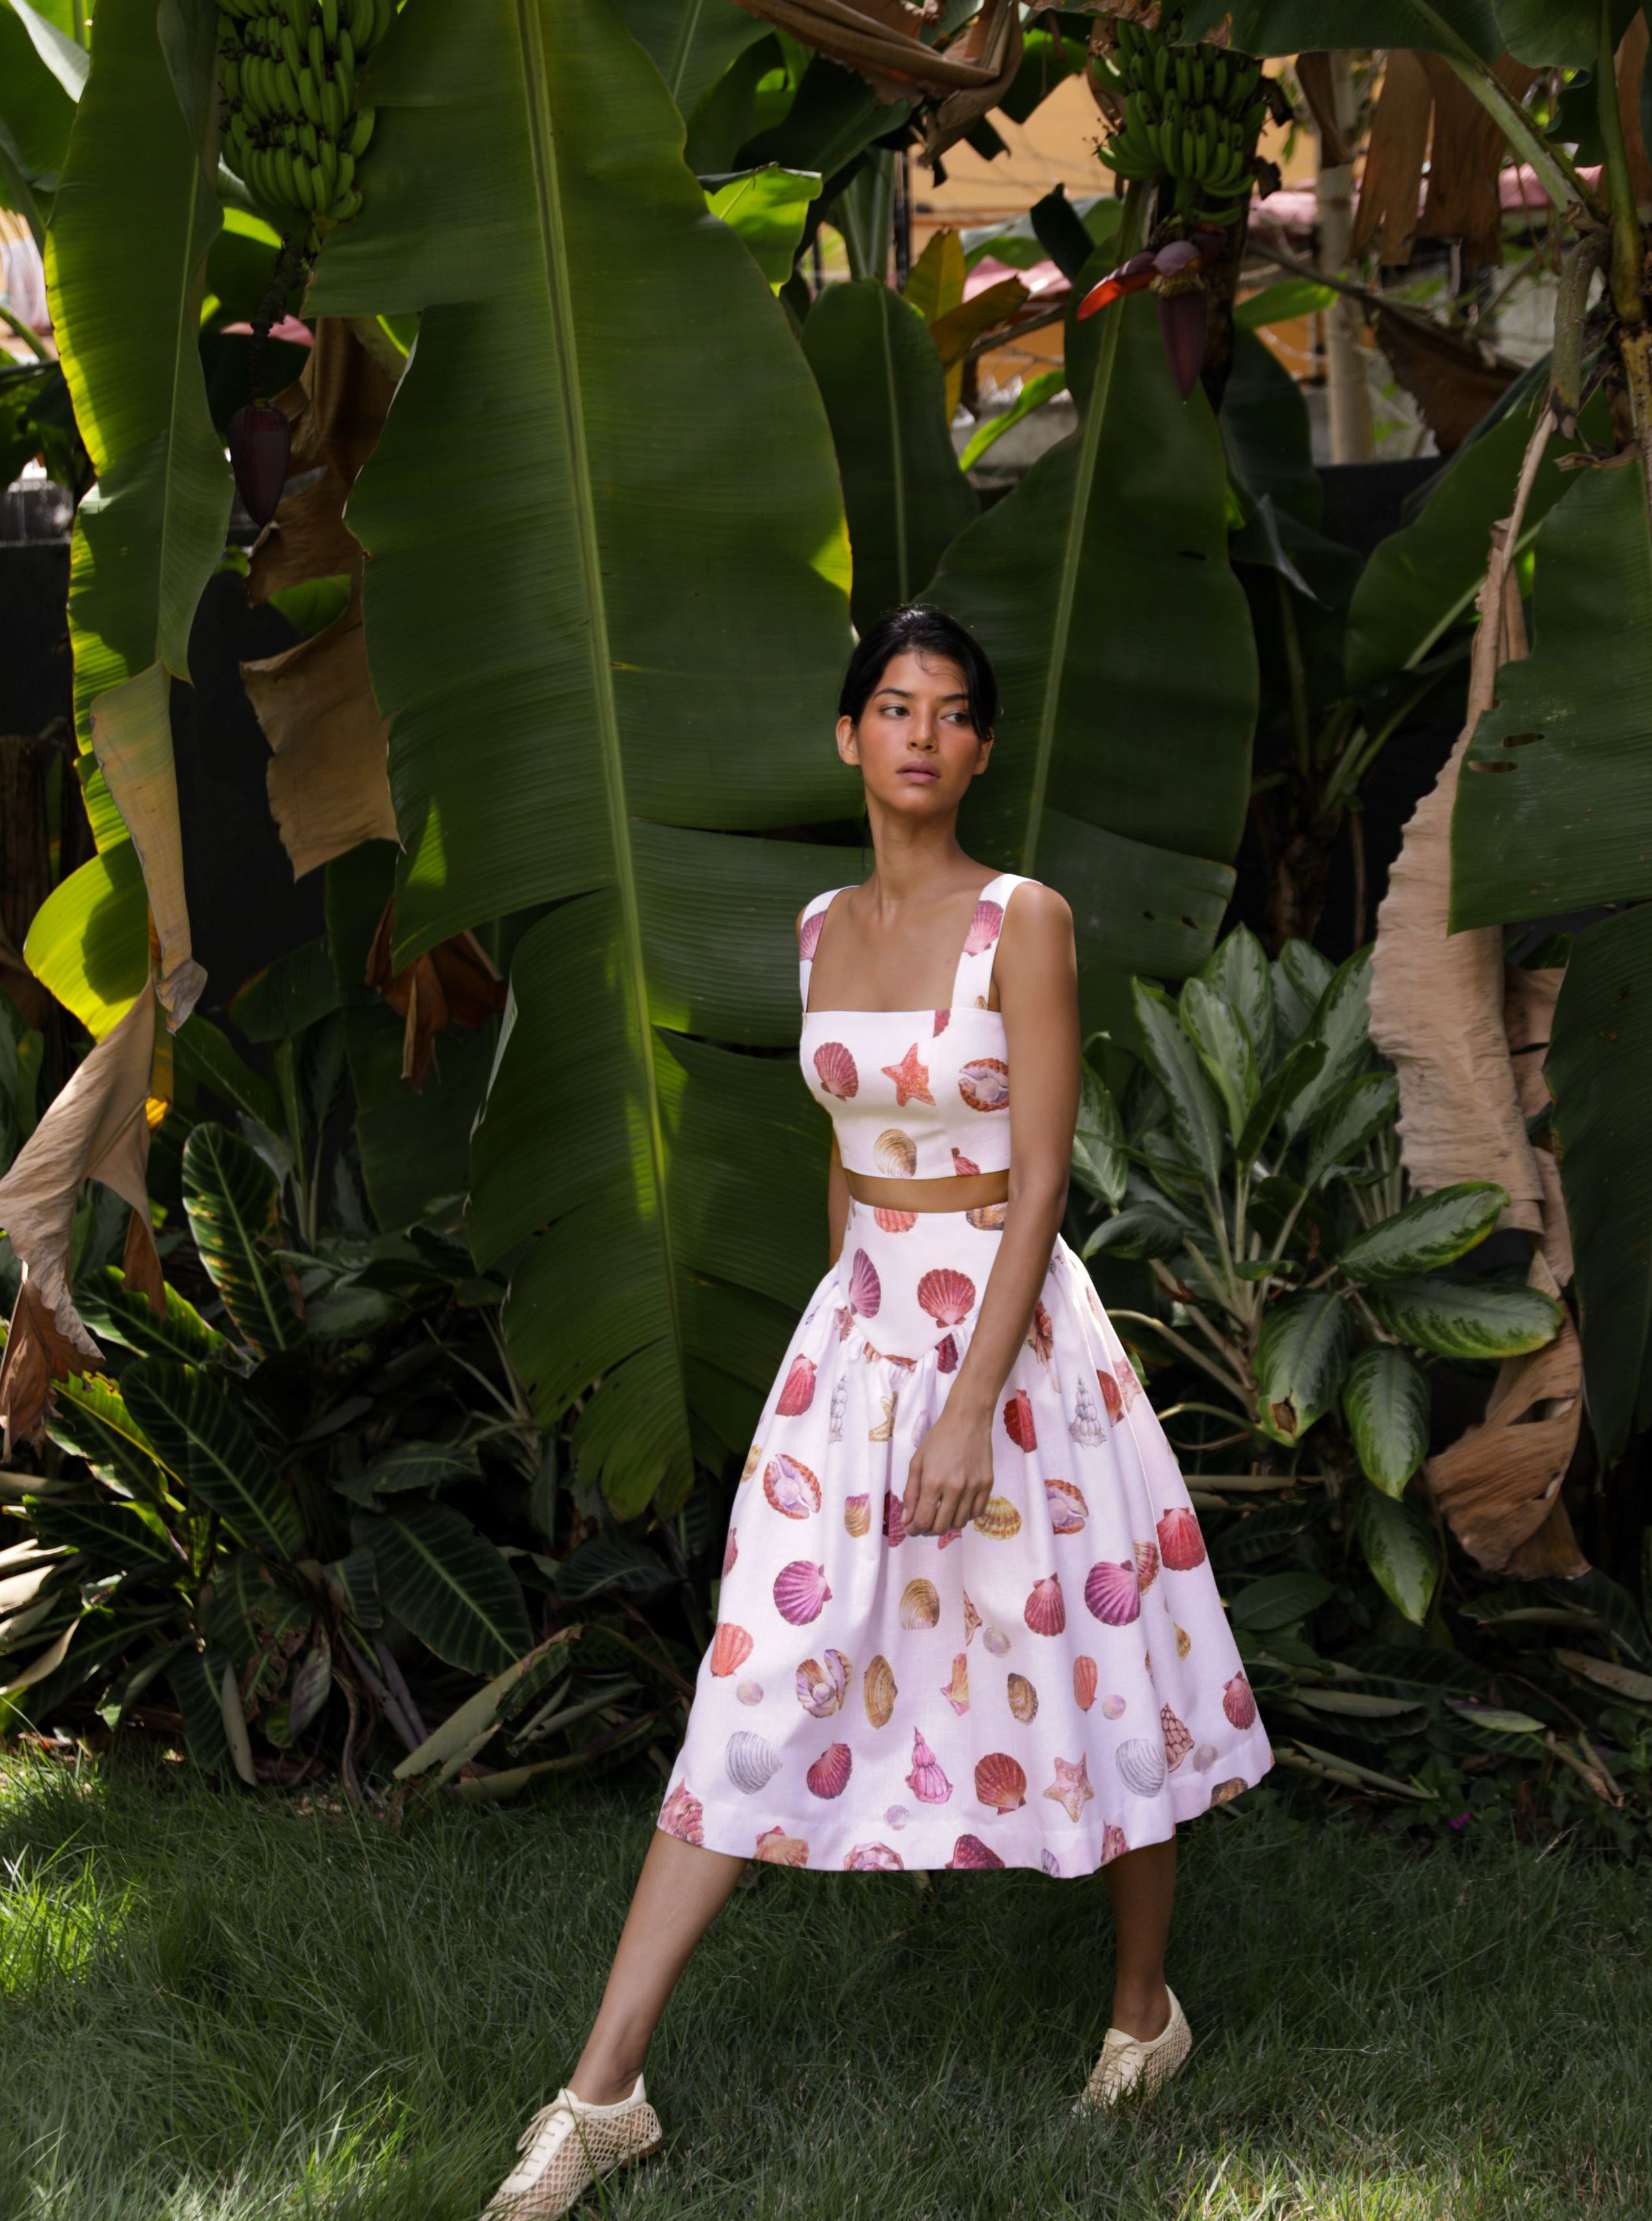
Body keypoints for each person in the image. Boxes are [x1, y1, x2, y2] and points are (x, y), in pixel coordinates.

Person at [483, 607, 1273, 2220]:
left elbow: (1041, 1173)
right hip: (856, 1347)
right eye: (891, 706)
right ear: (850, 738)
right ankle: (600, 2090)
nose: (919, 733)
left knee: (1085, 1659)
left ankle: (1144, 2012)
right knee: (755, 1677)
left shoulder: (1024, 921)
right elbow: (843, 1148)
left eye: (952, 711)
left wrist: (972, 1403)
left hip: (1015, 1346)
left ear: (980, 748)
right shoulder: (814, 930)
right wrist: (854, 1362)